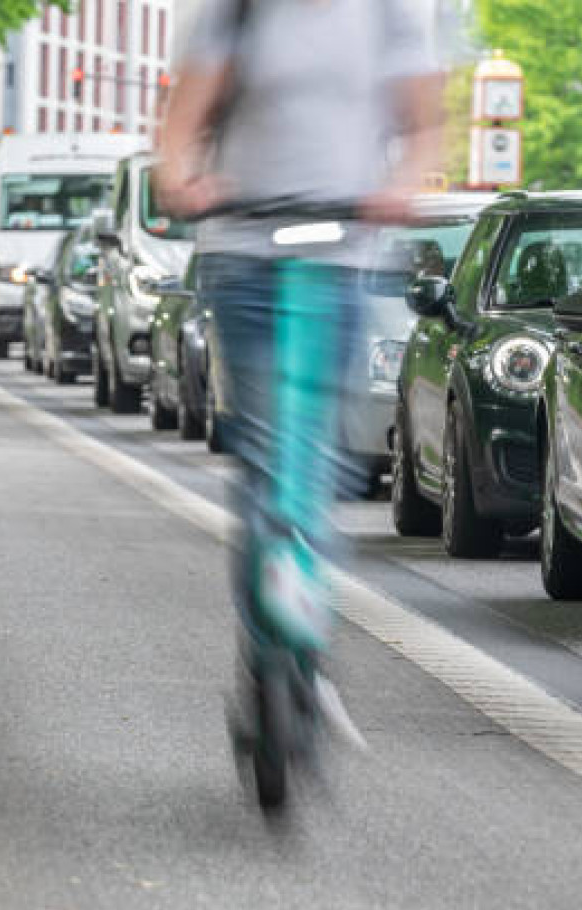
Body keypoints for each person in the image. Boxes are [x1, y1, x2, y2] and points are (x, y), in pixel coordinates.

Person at [157, 0, 444, 804]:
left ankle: (306, 638)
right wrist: (180, 174)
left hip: (343, 254)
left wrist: (401, 186)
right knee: (262, 460)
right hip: (245, 252)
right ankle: (265, 650)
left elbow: (422, 129)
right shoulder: (236, 10)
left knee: (315, 460)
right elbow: (182, 123)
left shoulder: (391, 15)